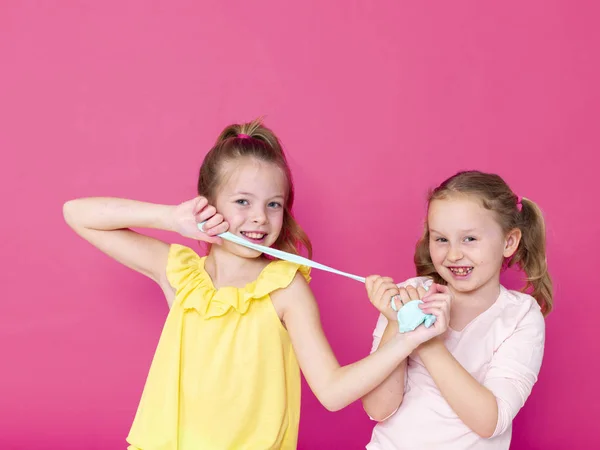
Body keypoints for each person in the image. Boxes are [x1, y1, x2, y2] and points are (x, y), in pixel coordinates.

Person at [63, 118, 434, 449]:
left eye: (274, 204)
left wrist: (405, 339)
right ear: (207, 206)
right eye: (242, 201)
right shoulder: (181, 273)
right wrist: (171, 218)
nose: (259, 217)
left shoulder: (285, 288)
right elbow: (77, 214)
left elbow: (334, 392)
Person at [362, 170, 552, 449]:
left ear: (509, 242)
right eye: (441, 239)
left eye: (469, 239)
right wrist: (397, 324)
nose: (453, 255)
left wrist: (425, 341)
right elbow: (378, 409)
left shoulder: (521, 316)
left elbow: (491, 422)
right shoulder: (408, 296)